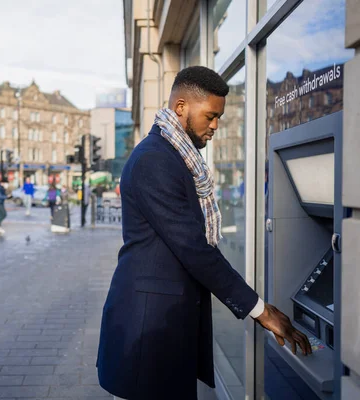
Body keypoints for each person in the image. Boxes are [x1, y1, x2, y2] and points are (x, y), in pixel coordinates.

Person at [96, 66, 312, 400]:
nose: (215, 126)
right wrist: (260, 310)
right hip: (146, 331)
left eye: (219, 118)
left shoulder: (175, 158)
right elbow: (194, 249)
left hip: (161, 326)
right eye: (210, 116)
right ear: (181, 107)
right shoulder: (156, 160)